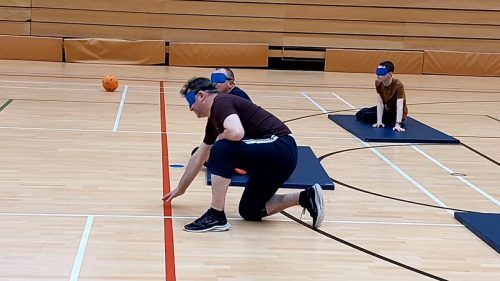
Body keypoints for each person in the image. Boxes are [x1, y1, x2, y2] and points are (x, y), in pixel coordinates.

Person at [163, 77, 325, 232]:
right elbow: (199, 156)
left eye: (191, 102)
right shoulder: (214, 121)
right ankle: (306, 197)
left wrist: (218, 140)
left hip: (280, 146)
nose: (190, 108)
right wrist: (180, 189)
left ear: (201, 95)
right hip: (276, 160)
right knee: (250, 210)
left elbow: (236, 132)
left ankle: (216, 214)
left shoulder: (221, 102)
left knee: (220, 148)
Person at [355, 61, 408, 132]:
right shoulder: (378, 83)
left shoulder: (398, 85)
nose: (378, 75)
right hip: (386, 109)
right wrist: (379, 121)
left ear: (389, 74)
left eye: (381, 73)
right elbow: (380, 103)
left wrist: (398, 124)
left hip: (394, 114)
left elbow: (400, 107)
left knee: (365, 116)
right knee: (359, 114)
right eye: (377, 72)